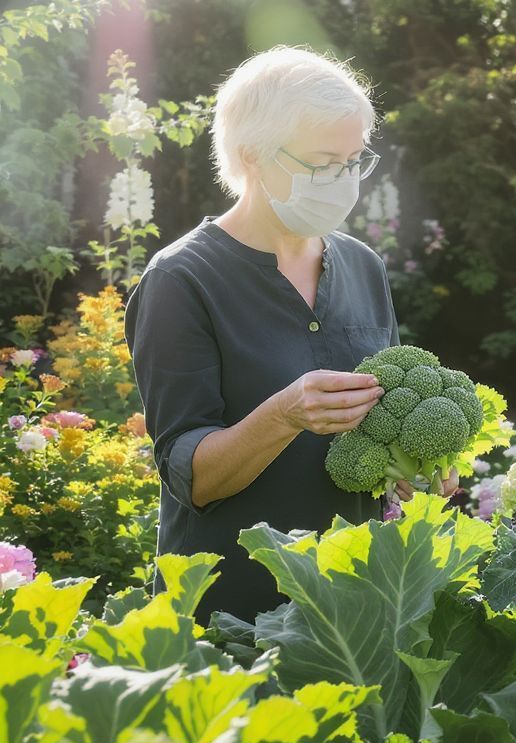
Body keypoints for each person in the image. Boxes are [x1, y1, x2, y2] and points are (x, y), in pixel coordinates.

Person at [125, 46, 456, 625]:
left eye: (355, 160)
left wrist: (414, 466)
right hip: (235, 609)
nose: (344, 180)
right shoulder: (180, 280)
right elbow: (193, 478)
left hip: (358, 602)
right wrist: (283, 415)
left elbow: (381, 418)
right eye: (324, 162)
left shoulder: (362, 266)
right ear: (252, 154)